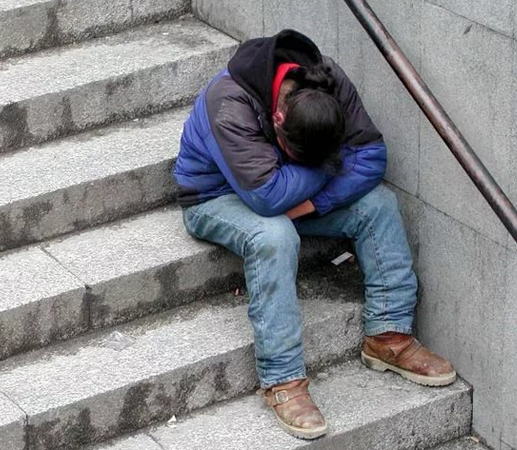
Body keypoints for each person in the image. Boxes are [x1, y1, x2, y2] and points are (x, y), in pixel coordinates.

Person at [173, 29, 456, 439]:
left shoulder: (326, 79)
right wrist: (331, 164)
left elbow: (372, 156)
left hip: (291, 193)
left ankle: (388, 336)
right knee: (273, 235)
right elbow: (268, 197)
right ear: (278, 120)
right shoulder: (229, 102)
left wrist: (310, 204)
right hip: (215, 196)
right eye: (304, 155)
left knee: (378, 204)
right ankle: (283, 380)